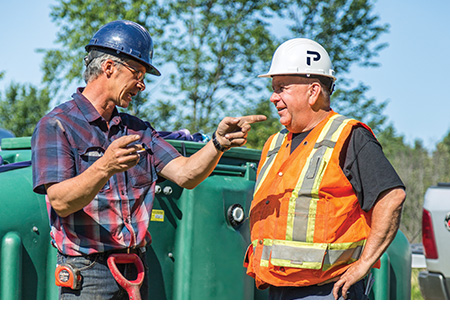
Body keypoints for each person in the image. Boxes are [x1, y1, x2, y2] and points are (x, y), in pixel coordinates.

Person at [31, 20, 266, 300]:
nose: (141, 85)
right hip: (87, 275)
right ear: (109, 68)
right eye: (138, 73)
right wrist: (104, 166)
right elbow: (60, 201)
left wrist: (218, 144)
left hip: (137, 270)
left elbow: (186, 175)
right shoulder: (57, 125)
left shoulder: (138, 130)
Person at [244, 38, 406, 300]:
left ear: (313, 91)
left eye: (282, 88)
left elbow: (392, 197)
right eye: (274, 89)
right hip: (276, 290)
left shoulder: (349, 136)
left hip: (327, 293)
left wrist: (363, 264)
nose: (273, 97)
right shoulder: (274, 144)